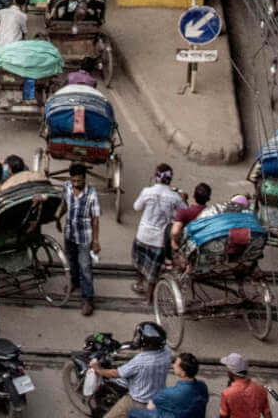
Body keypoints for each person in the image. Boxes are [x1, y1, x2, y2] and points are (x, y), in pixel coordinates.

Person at [91, 321, 169, 418]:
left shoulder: (140, 361)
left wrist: (99, 370)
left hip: (139, 402)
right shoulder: (166, 352)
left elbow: (117, 373)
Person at [131, 165, 183, 294]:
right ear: (170, 179)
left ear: (156, 177)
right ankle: (149, 298)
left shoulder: (147, 191)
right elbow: (182, 212)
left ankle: (139, 284)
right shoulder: (175, 197)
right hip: (158, 240)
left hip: (142, 235)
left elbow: (136, 207)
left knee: (139, 262)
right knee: (154, 270)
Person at [62, 161, 102, 316]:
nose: (76, 184)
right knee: (71, 260)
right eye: (74, 181)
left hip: (85, 236)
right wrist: (59, 217)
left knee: (85, 266)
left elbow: (96, 219)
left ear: (85, 179)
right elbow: (65, 204)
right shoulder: (66, 187)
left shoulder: (92, 194)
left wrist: (96, 241)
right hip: (69, 233)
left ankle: (88, 298)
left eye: (79, 181)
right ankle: (74, 282)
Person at [133, 352, 206, 418]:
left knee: (134, 412)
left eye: (176, 364)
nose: (173, 365)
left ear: (183, 373)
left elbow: (150, 406)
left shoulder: (168, 393)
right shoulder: (202, 387)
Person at [217, 353, 273, 418]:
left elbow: (223, 415)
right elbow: (267, 414)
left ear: (230, 373)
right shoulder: (261, 389)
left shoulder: (227, 394)